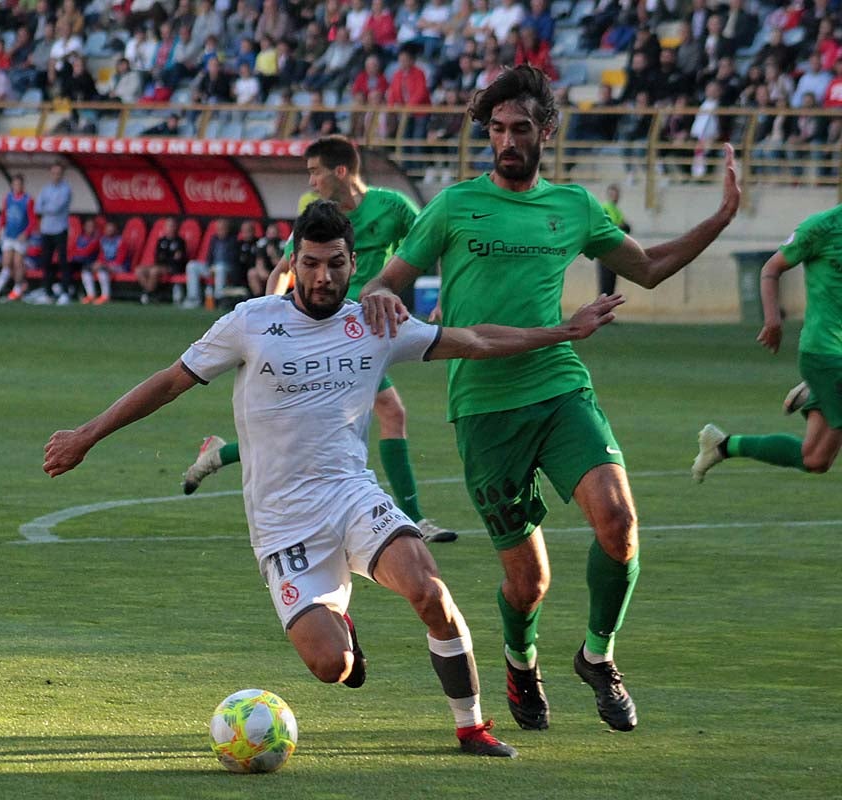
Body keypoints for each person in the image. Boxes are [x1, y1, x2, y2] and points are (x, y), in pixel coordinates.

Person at [44, 200, 624, 760]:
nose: (323, 278)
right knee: (332, 667)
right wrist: (86, 435)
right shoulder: (250, 323)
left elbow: (472, 341)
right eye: (312, 263)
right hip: (282, 524)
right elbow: (170, 382)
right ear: (293, 263)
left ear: (353, 264)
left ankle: (472, 728)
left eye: (337, 264)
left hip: (352, 496)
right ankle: (340, 621)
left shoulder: (373, 323)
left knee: (430, 590)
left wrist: (563, 332)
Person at [359, 66, 740, 734]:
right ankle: (520, 660)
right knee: (528, 582)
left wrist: (722, 216)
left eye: (520, 129)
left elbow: (646, 268)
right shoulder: (453, 206)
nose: (507, 140)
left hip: (560, 385)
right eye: (497, 129)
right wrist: (384, 294)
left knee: (619, 521)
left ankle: (598, 655)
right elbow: (384, 284)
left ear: (546, 133)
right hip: (482, 410)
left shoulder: (574, 208)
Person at [183, 135, 458, 545]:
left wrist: (442, 297)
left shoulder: (393, 208)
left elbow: (430, 246)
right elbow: (283, 271)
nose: (311, 181)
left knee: (314, 424)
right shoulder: (318, 219)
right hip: (324, 332)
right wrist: (270, 318)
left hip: (366, 332)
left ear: (341, 172)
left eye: (315, 171)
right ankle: (414, 517)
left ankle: (218, 454)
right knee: (383, 414)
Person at [693, 203, 842, 481]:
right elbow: (771, 268)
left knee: (815, 458)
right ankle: (819, 384)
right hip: (826, 352)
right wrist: (773, 320)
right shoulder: (822, 227)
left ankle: (723, 445)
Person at [33, 163, 74, 304]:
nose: (56, 175)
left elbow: (57, 207)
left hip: (60, 229)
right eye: (54, 172)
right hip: (46, 229)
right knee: (46, 261)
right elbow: (38, 207)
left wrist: (46, 207)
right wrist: (46, 207)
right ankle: (48, 292)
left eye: (58, 173)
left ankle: (65, 292)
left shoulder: (66, 189)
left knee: (63, 261)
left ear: (62, 174)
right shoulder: (46, 189)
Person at [0, 174, 35, 300]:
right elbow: (4, 214)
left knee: (18, 263)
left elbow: (32, 221)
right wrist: (0, 228)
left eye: (19, 184)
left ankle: (17, 289)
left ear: (23, 186)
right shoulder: (8, 198)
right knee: (6, 263)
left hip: (20, 237)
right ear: (12, 185)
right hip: (9, 235)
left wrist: (26, 233)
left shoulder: (28, 200)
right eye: (15, 184)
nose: (17, 187)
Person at [135, 217, 187, 305]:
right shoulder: (161, 240)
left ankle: (147, 294)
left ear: (176, 227)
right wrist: (168, 256)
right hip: (159, 265)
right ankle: (150, 293)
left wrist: (166, 257)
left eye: (172, 226)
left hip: (172, 268)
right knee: (139, 270)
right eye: (168, 226)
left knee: (154, 271)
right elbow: (158, 256)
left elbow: (177, 259)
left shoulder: (180, 241)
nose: (170, 228)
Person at [596, 184, 631, 297]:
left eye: (616, 194)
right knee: (606, 287)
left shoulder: (616, 210)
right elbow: (609, 228)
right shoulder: (605, 207)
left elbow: (626, 228)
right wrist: (620, 227)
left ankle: (607, 312)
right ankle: (602, 313)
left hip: (614, 252)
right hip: (605, 252)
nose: (615, 197)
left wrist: (620, 227)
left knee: (611, 287)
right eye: (612, 194)